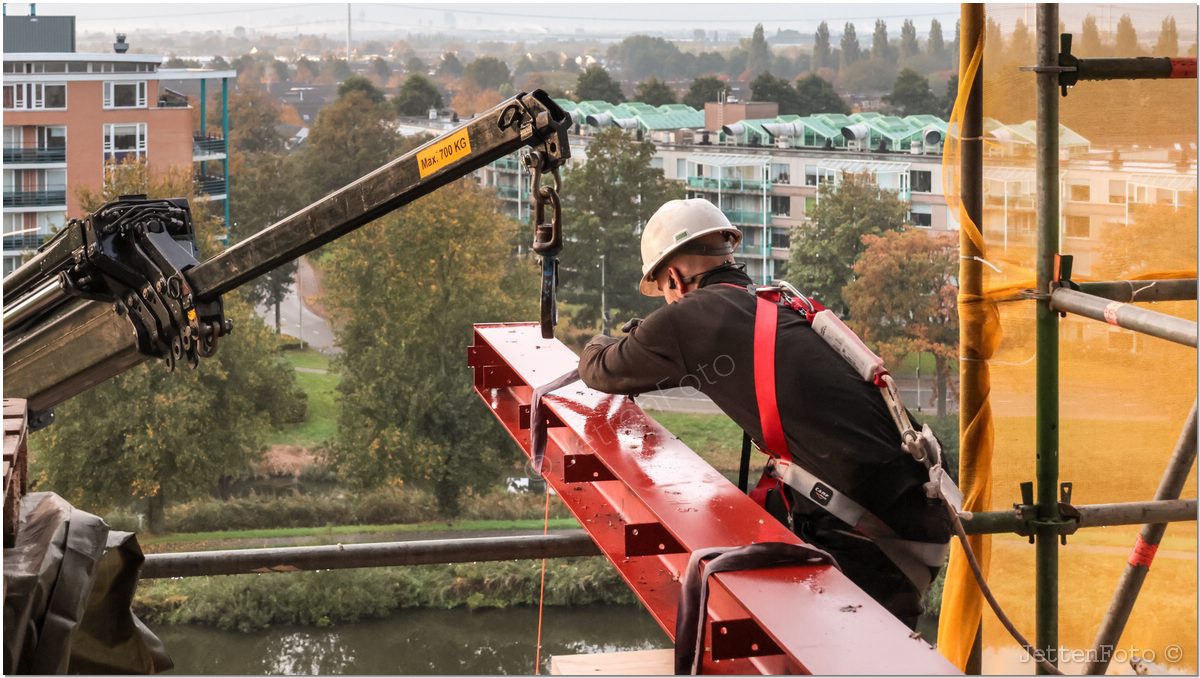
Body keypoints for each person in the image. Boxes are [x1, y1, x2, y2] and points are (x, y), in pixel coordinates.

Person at [577, 198, 950, 629]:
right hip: (913, 509)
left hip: (867, 533)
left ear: (674, 278)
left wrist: (599, 340)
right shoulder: (777, 302)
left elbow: (601, 370)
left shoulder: (693, 318)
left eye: (664, 290)